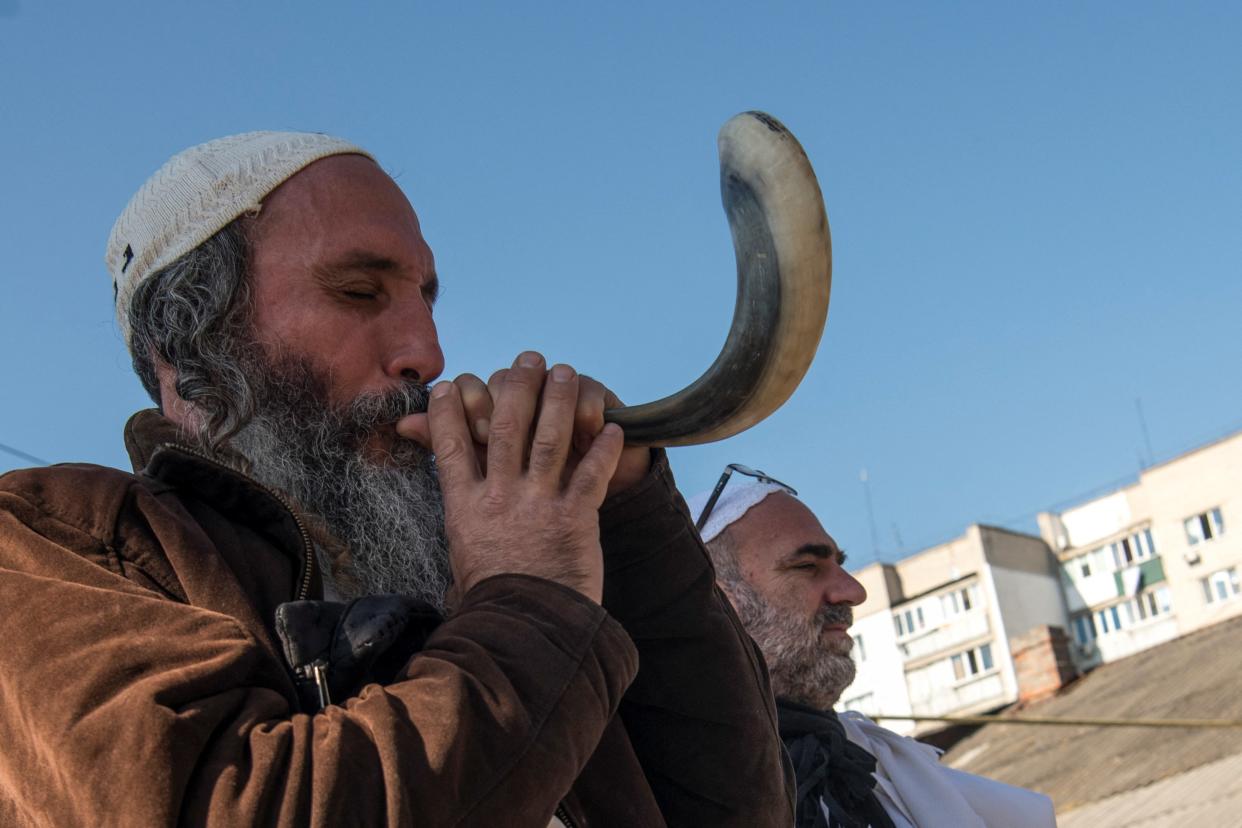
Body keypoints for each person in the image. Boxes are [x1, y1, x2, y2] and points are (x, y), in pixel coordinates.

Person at [0, 133, 793, 827]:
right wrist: (530, 593)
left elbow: (733, 807)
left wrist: (627, 520)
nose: (427, 353)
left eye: (426, 298)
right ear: (192, 341)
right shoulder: (57, 539)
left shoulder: (457, 559)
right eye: (357, 292)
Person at [689, 465, 1057, 828]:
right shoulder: (662, 787)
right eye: (806, 566)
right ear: (720, 599)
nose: (854, 592)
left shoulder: (895, 778)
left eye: (839, 564)